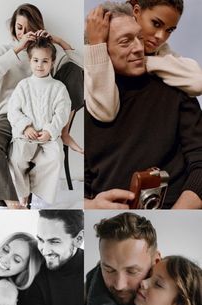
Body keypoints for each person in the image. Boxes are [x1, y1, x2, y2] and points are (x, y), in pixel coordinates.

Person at [84, 2, 202, 209]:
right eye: (125, 41)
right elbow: (81, 183)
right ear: (102, 51)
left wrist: (177, 216)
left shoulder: (174, 84)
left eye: (139, 37)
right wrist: (91, 206)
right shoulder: (87, 97)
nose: (140, 47)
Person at [0, 3, 83, 209]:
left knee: (73, 72)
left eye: (28, 27)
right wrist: (17, 49)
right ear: (13, 29)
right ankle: (11, 199)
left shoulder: (46, 52)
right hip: (8, 114)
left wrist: (58, 41)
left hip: (43, 117)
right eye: (19, 28)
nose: (23, 32)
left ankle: (65, 131)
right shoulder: (6, 50)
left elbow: (80, 67)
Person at [85, 0, 202, 122]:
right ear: (136, 12)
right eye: (156, 24)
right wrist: (97, 45)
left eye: (169, 30)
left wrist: (142, 61)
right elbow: (105, 111)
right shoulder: (98, 47)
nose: (161, 37)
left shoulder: (160, 52)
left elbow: (197, 82)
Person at [8, 36, 71, 208]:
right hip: (26, 136)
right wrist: (25, 126)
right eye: (36, 60)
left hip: (47, 137)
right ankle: (23, 192)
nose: (39, 65)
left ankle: (37, 192)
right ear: (30, 61)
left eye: (45, 61)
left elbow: (62, 112)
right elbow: (13, 110)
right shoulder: (24, 85)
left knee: (55, 158)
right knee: (17, 158)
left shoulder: (58, 87)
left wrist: (50, 130)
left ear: (52, 62)